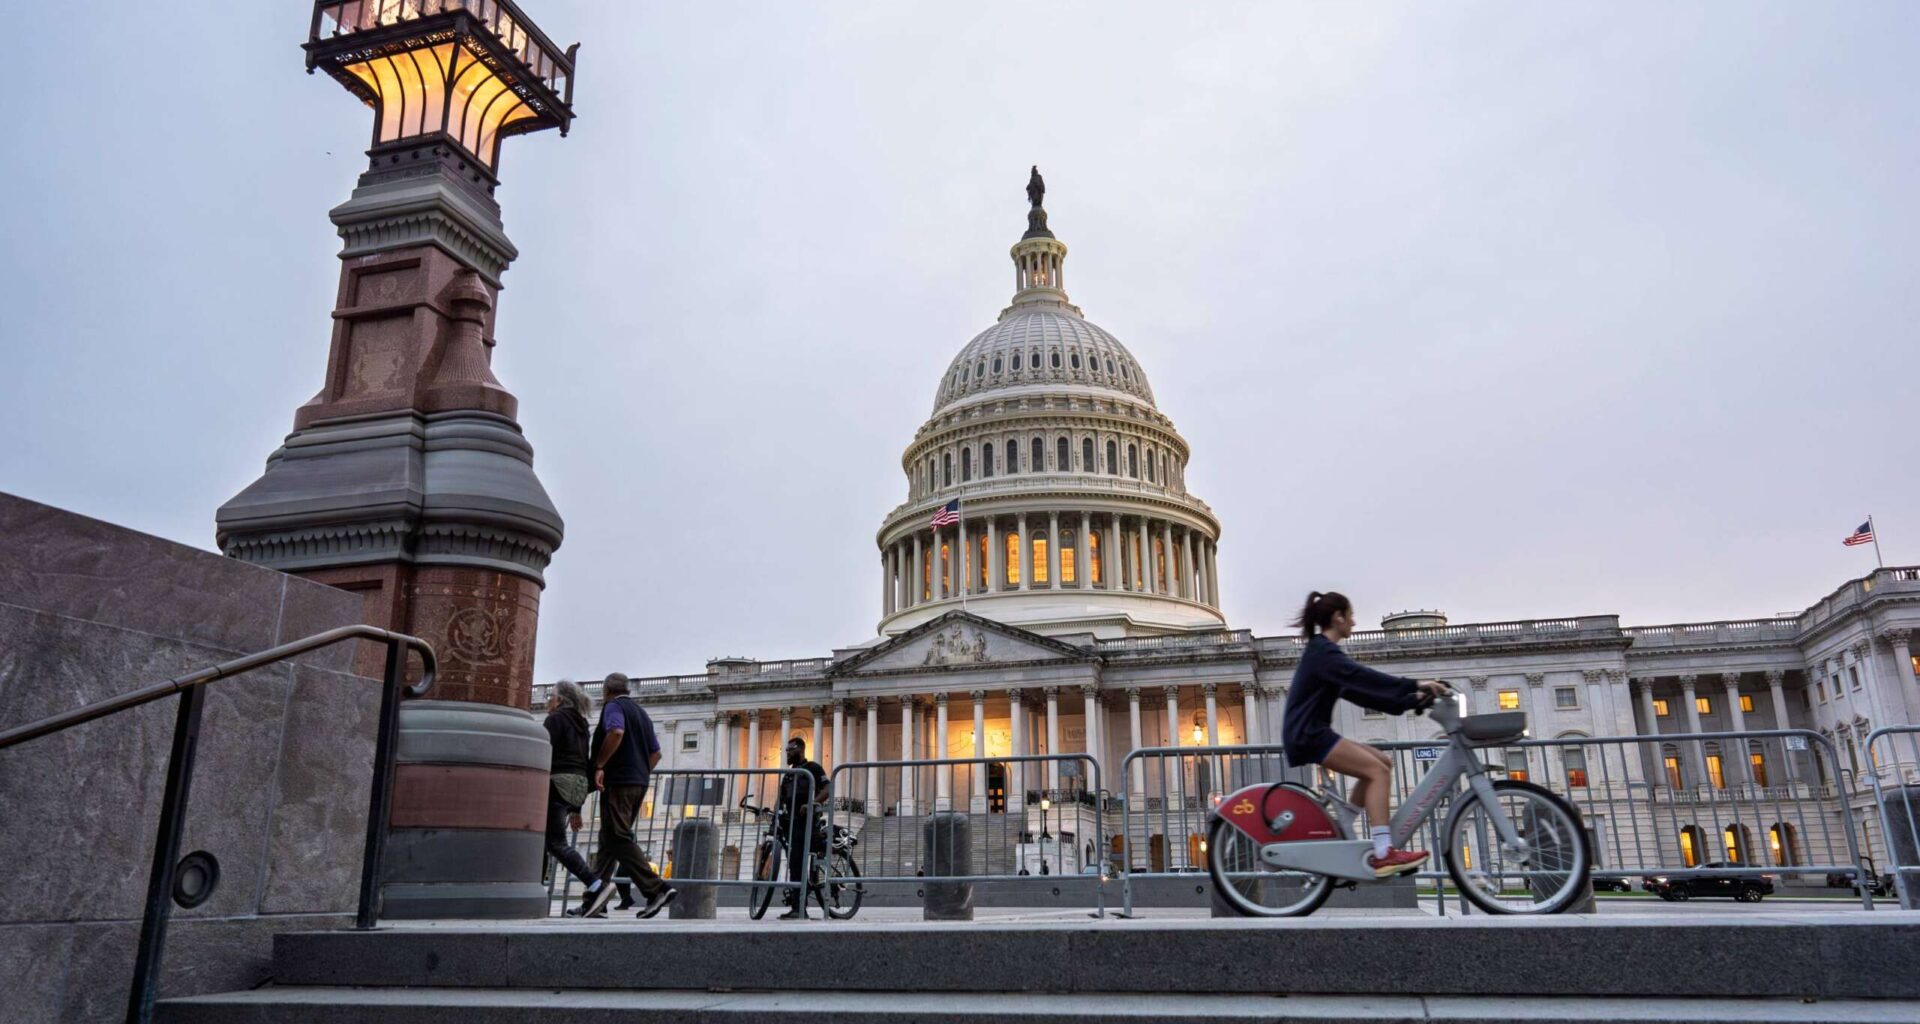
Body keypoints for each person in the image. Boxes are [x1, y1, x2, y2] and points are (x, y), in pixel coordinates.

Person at [1280, 591, 1449, 877]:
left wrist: (1411, 701)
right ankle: (1384, 851)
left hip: (1312, 732)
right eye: (1352, 616)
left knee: (1382, 762)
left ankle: (1345, 824)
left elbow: (1362, 694)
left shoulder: (1323, 654)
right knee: (1377, 772)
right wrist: (1415, 684)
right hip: (1308, 734)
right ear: (1338, 618)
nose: (1354, 623)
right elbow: (1363, 677)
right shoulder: (1324, 653)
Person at [570, 673, 677, 919]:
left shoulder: (614, 706)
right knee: (608, 842)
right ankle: (594, 901)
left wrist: (600, 764)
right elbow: (656, 753)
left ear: (606, 690)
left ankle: (657, 889)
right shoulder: (642, 713)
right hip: (638, 783)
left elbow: (616, 732)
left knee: (617, 836)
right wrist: (640, 773)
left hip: (618, 782)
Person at [542, 680, 598, 893]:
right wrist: (577, 808)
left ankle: (595, 885)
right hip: (578, 785)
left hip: (557, 782)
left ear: (559, 700)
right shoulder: (581, 723)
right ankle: (536, 886)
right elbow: (583, 759)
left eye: (551, 696)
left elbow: (545, 751)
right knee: (546, 841)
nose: (548, 701)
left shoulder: (555, 719)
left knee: (555, 842)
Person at [775, 735, 829, 919]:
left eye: (790, 750)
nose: (787, 754)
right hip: (791, 823)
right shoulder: (789, 775)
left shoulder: (812, 768)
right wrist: (775, 815)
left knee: (797, 861)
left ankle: (800, 908)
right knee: (794, 864)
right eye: (786, 751)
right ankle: (797, 906)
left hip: (807, 821)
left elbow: (827, 788)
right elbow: (781, 798)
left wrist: (813, 803)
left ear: (800, 749)